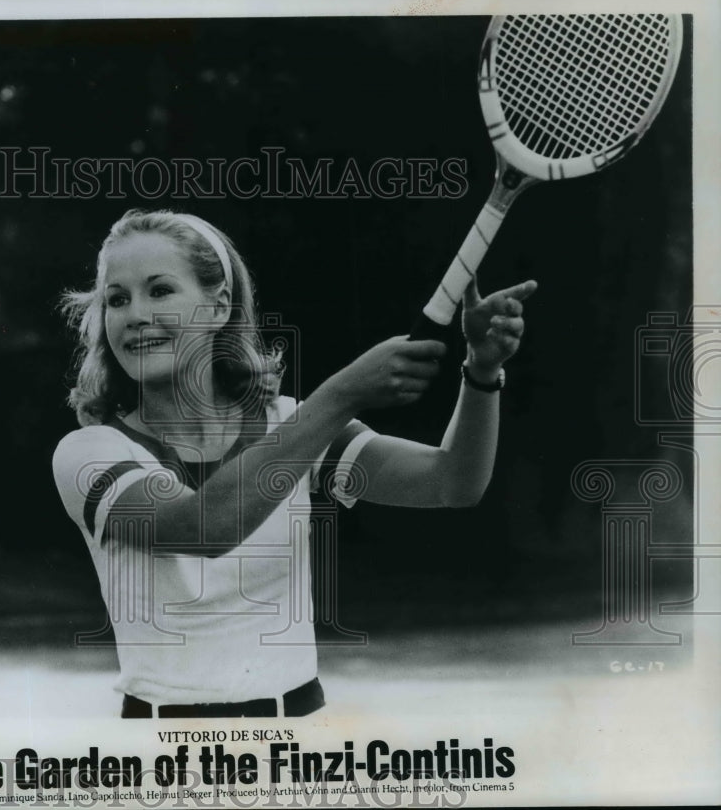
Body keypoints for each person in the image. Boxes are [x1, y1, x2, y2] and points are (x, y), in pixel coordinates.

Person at [52, 208, 537, 719]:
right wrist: (343, 393)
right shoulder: (91, 452)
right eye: (117, 299)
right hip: (160, 753)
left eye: (160, 291)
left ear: (218, 308)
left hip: (300, 741)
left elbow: (450, 482)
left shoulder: (290, 423)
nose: (135, 315)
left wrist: (481, 373)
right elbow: (203, 526)